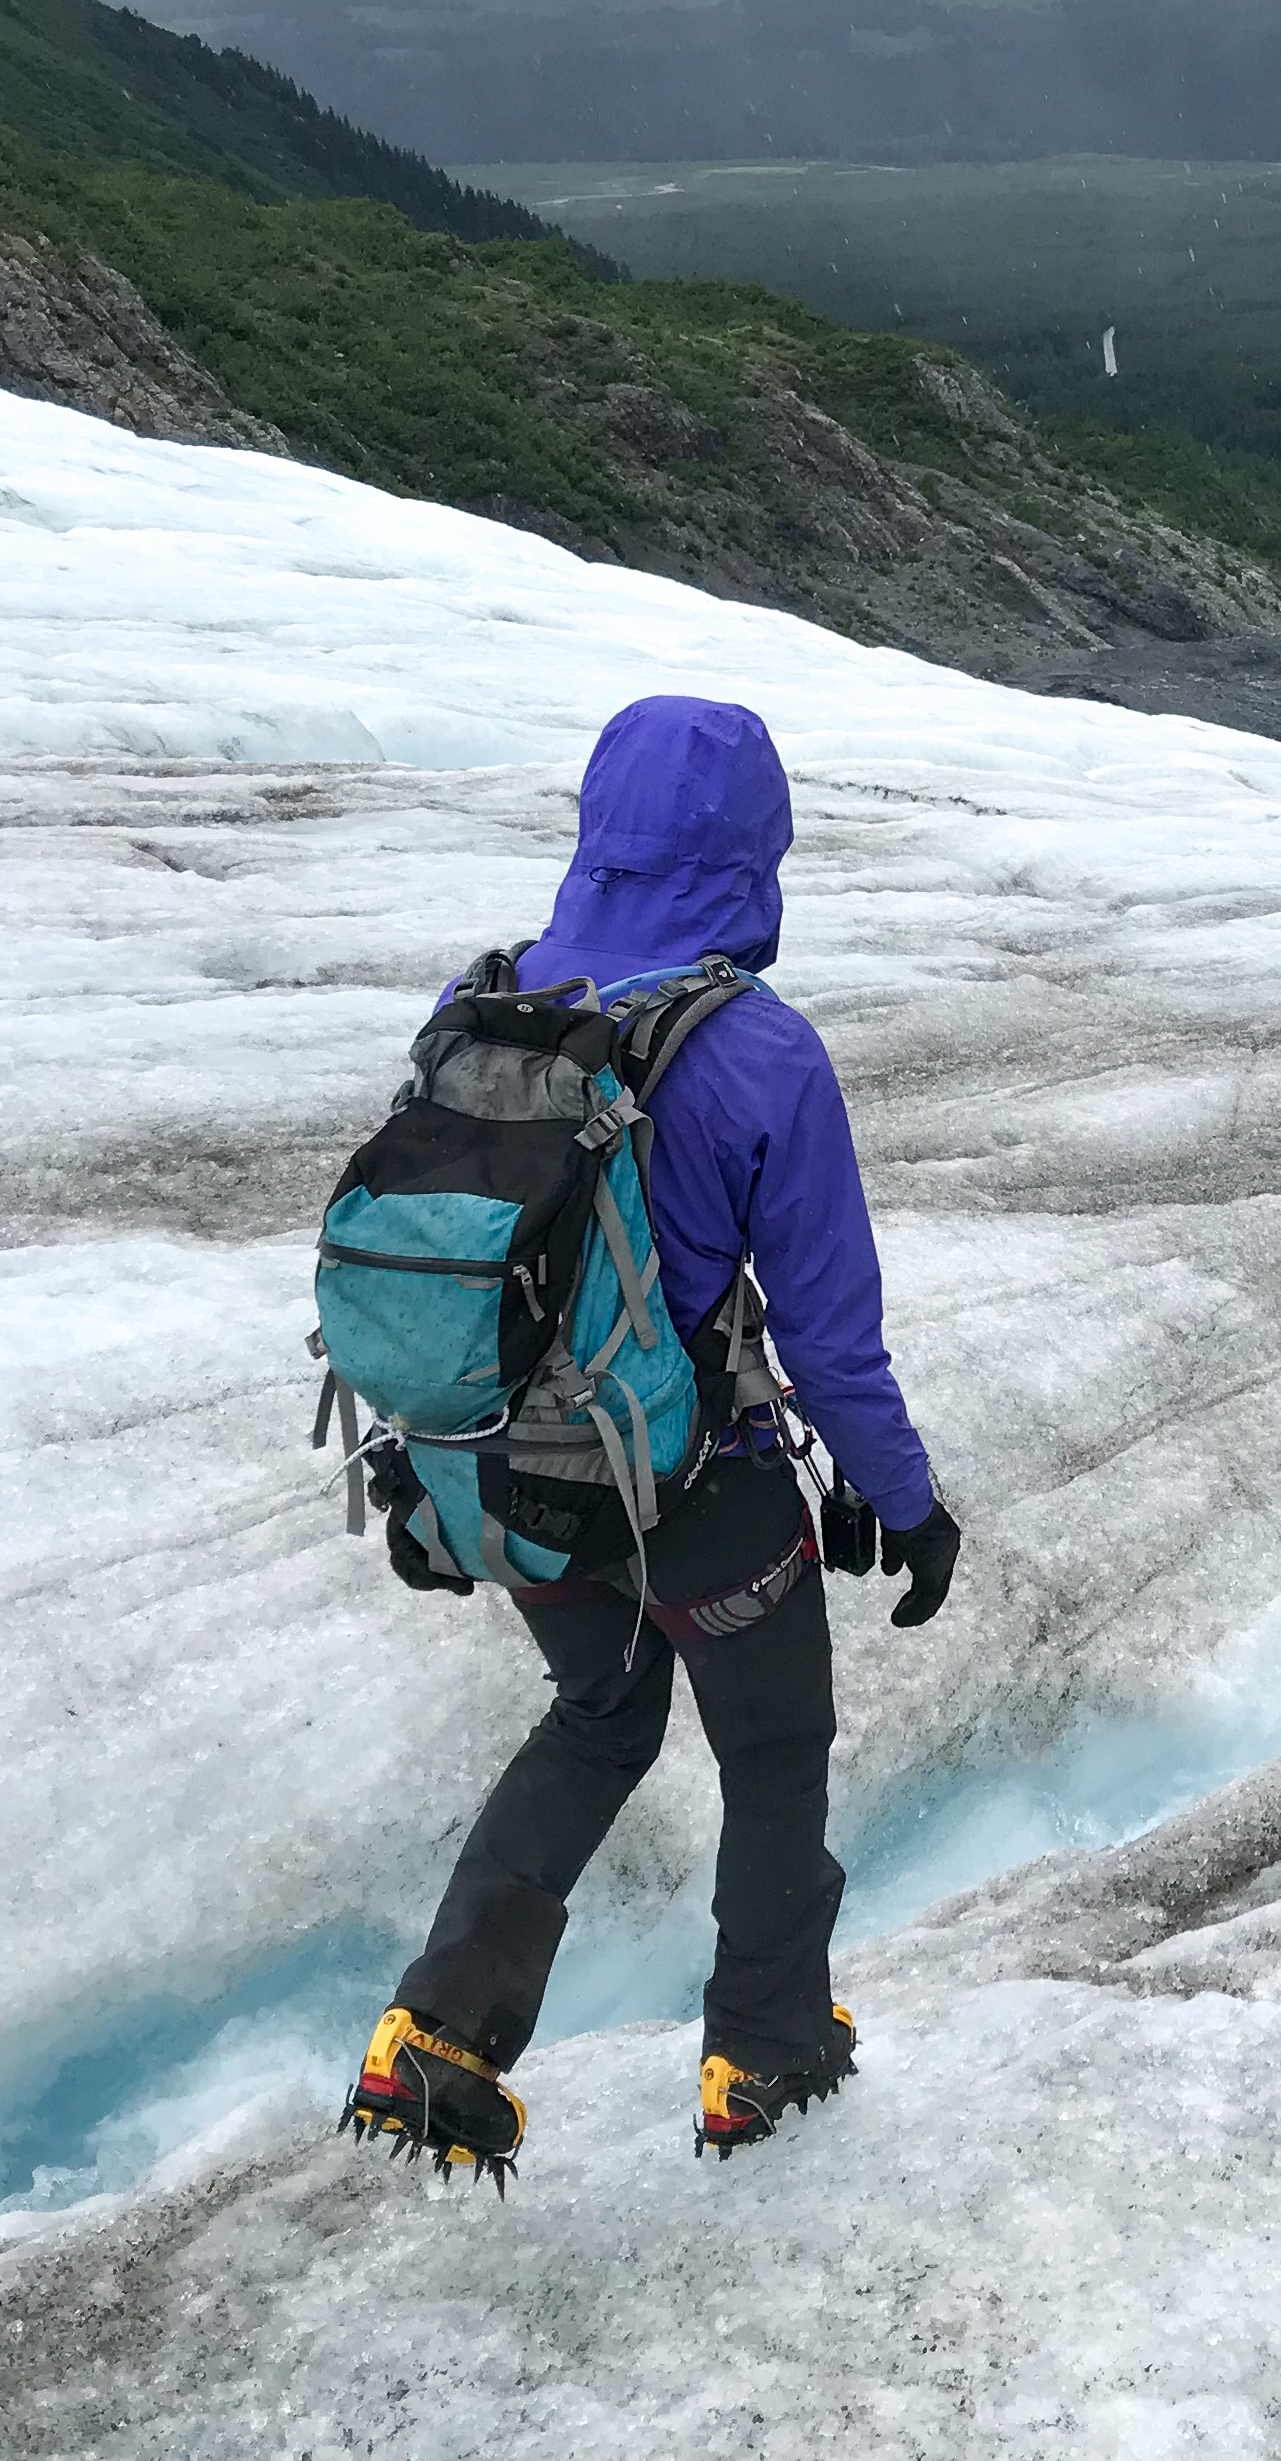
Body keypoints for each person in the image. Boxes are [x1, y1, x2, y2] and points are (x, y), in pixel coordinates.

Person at [342, 695, 959, 2183]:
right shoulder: (759, 1050)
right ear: (759, 845)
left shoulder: (479, 1002)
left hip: (509, 1482)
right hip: (696, 1497)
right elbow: (827, 1332)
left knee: (600, 1721)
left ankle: (436, 2036)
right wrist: (908, 1502)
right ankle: (767, 2048)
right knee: (770, 1749)